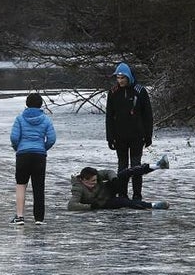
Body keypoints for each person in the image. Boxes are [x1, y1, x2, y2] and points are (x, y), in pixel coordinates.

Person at [105, 62, 154, 201]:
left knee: (136, 165)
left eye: (122, 78)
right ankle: (122, 193)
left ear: (129, 77)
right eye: (118, 78)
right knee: (122, 165)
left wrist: (148, 135)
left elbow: (147, 115)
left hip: (137, 135)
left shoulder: (140, 91)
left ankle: (137, 194)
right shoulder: (113, 92)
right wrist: (110, 137)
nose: (120, 81)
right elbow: (109, 117)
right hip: (120, 136)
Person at [10, 93, 57, 225]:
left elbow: (14, 138)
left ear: (27, 104)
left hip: (23, 155)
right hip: (39, 156)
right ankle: (39, 218)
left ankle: (19, 217)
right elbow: (52, 139)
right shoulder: (46, 120)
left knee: (21, 185)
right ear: (41, 104)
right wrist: (43, 148)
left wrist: (17, 148)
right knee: (38, 186)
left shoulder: (19, 119)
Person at [67, 157, 168, 212]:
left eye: (96, 180)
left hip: (107, 189)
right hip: (104, 202)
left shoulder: (95, 175)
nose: (95, 182)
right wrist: (91, 207)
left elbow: (108, 172)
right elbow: (71, 206)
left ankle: (157, 165)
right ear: (84, 180)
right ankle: (154, 205)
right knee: (124, 202)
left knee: (125, 173)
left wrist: (114, 179)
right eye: (92, 181)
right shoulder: (78, 188)